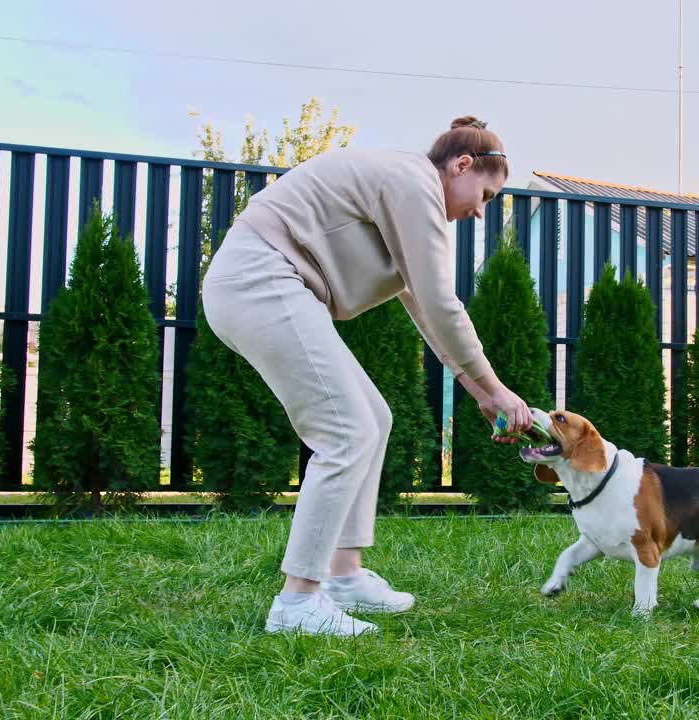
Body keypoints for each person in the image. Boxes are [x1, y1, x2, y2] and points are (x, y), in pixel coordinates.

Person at [201, 116, 533, 637]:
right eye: (485, 194)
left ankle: (344, 576)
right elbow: (443, 305)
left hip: (271, 284)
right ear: (461, 165)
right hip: (260, 278)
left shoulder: (407, 195)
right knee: (346, 430)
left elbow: (422, 307)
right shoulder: (413, 184)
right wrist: (495, 388)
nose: (479, 211)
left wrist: (479, 392)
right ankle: (297, 603)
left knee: (372, 418)